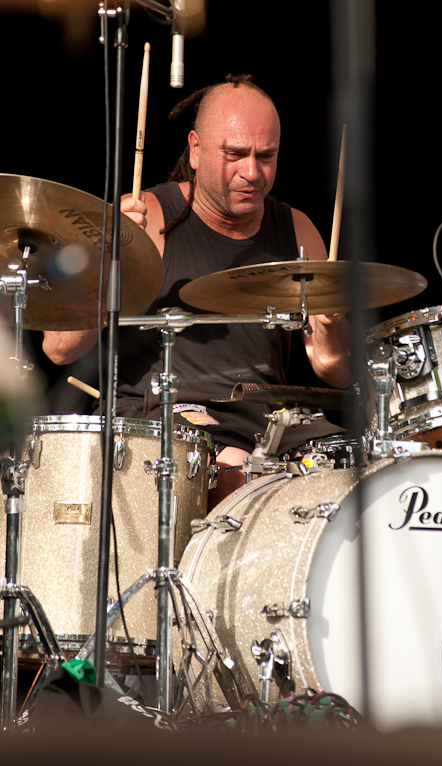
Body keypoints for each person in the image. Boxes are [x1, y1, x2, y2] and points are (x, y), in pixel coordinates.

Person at [42, 75, 352, 505]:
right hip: (164, 423)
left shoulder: (297, 231)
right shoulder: (146, 219)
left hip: (266, 424)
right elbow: (58, 348)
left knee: (349, 465)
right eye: (235, 154)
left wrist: (332, 326)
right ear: (196, 149)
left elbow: (334, 369)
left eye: (267, 156)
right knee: (233, 464)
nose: (252, 172)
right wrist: (108, 261)